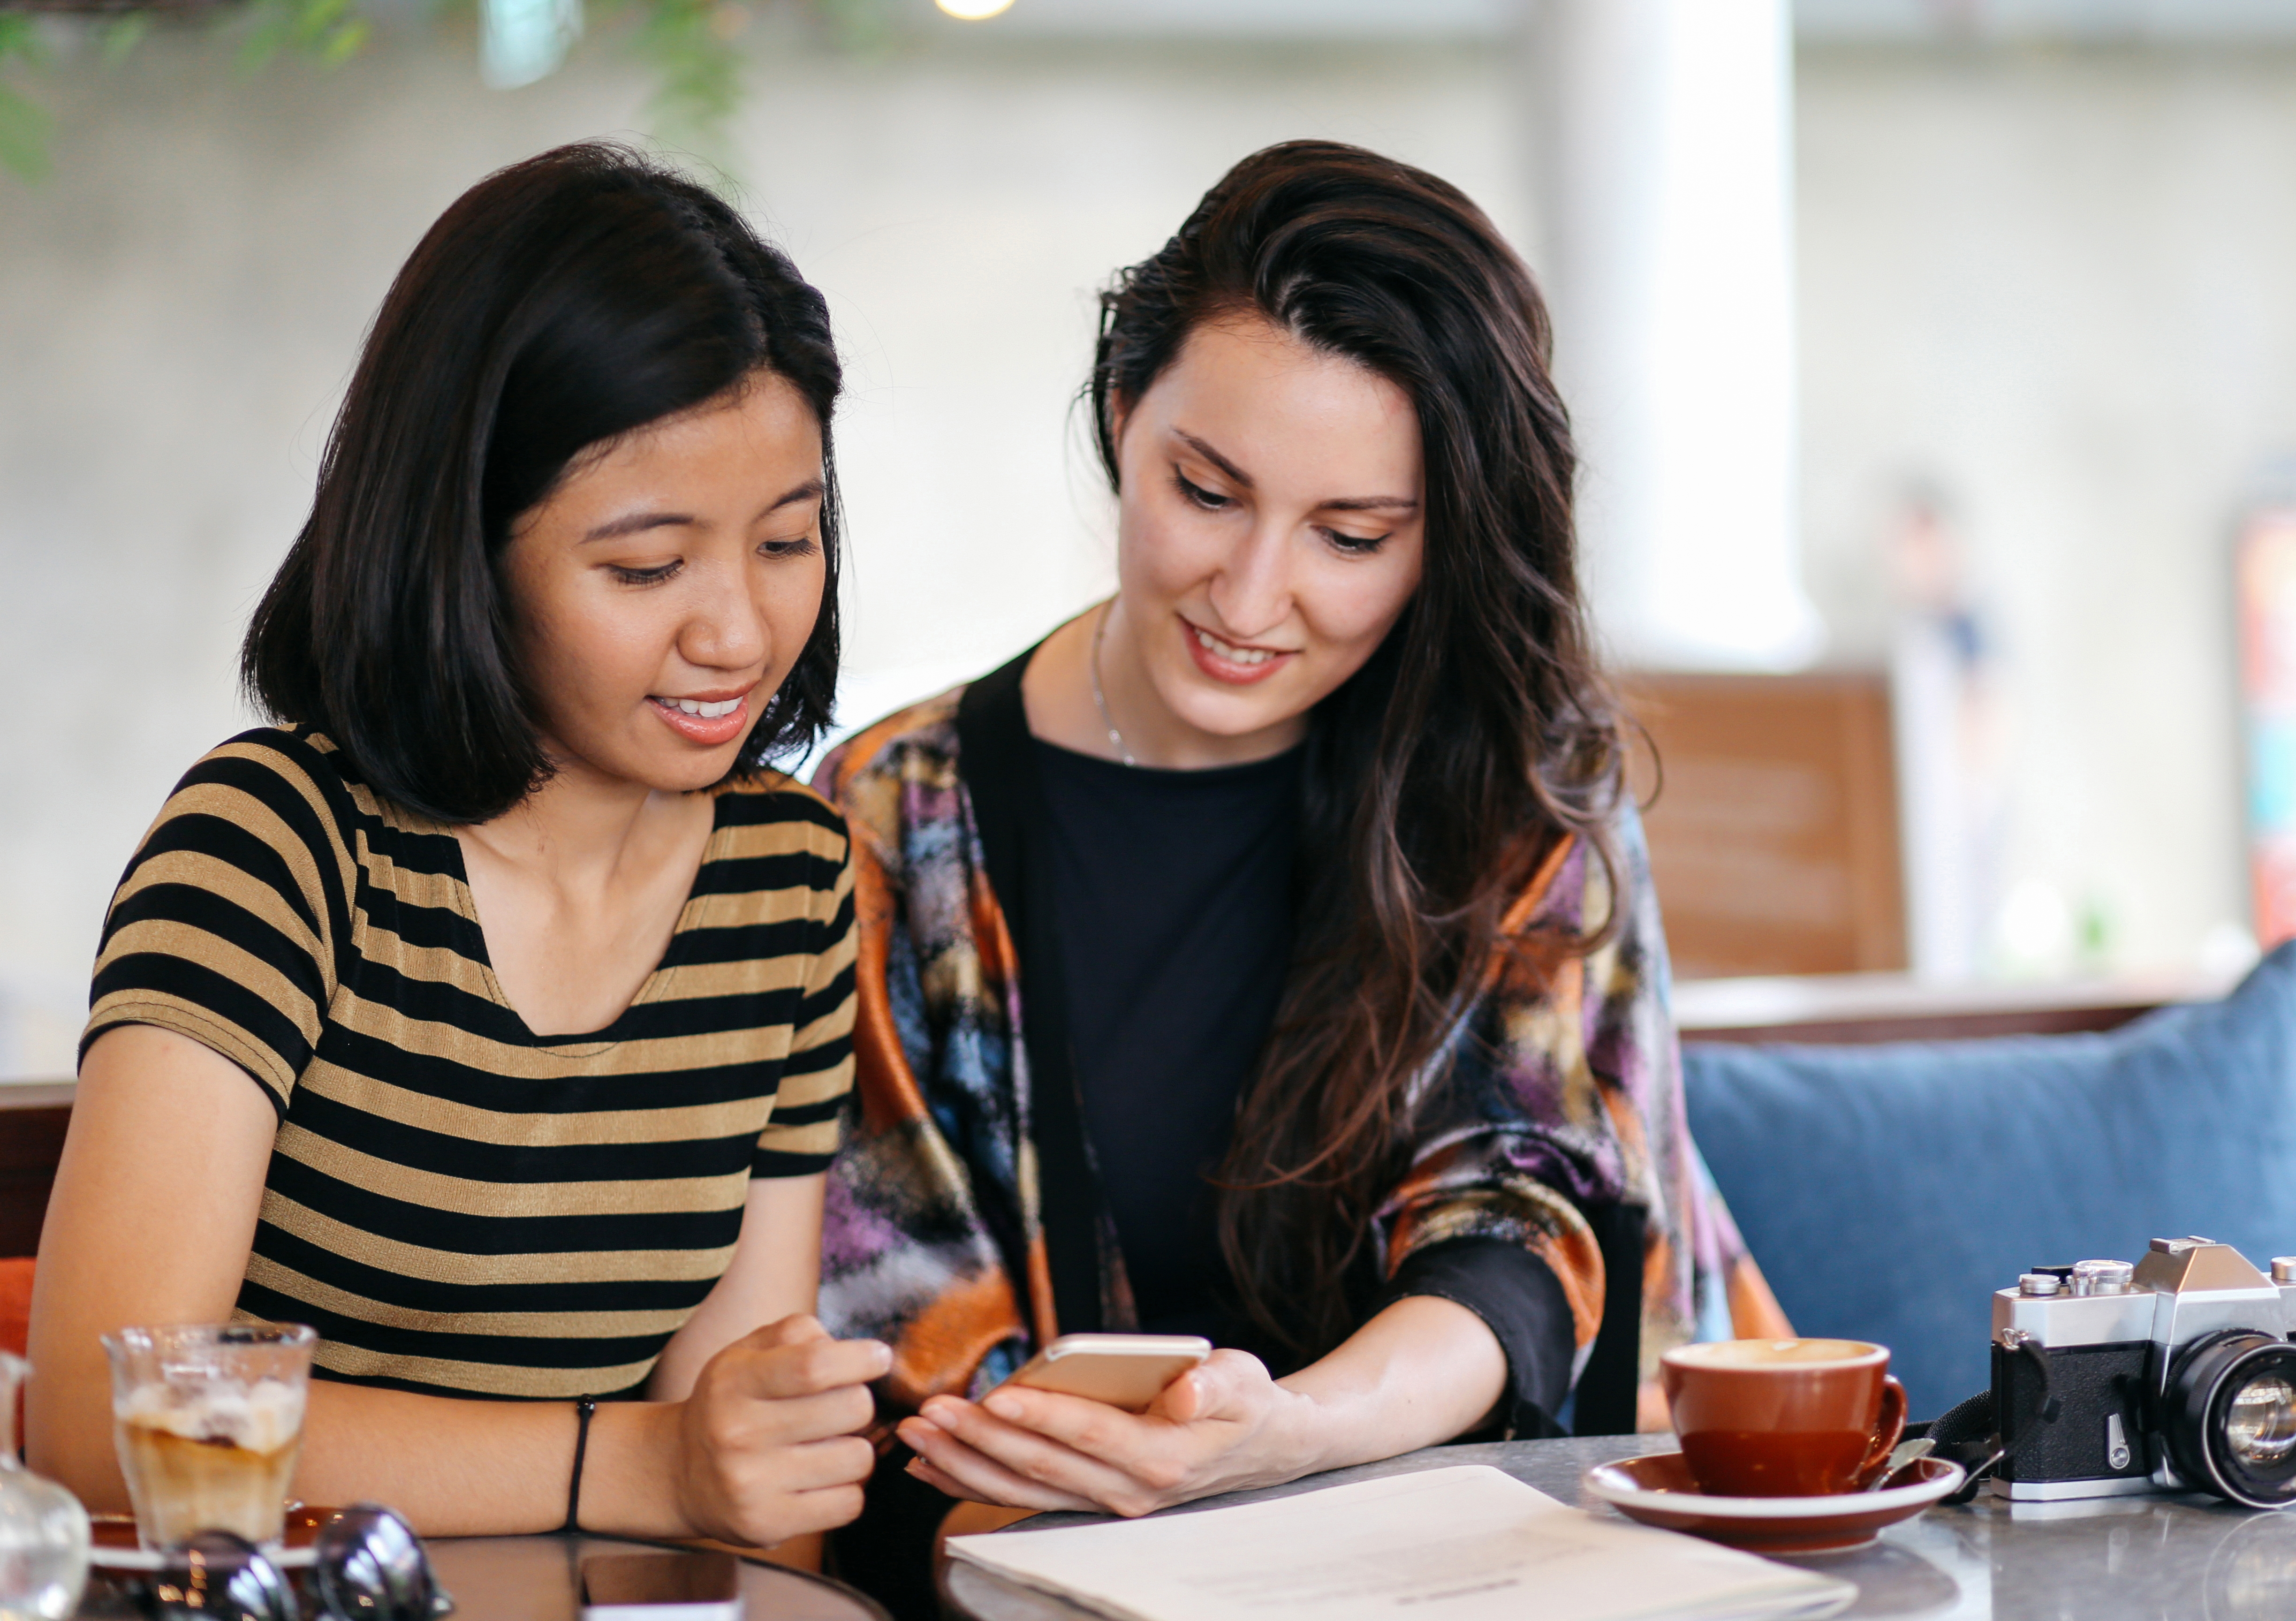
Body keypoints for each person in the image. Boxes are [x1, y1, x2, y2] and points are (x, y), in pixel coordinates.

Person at [812, 140, 1788, 1612]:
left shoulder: (1521, 783)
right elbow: (901, 1339)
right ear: (1124, 415)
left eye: (1349, 537)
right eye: (1207, 493)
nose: (1254, 598)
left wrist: (1292, 1437)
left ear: (1442, 540)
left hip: (1513, 1562)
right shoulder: (898, 821)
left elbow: (1531, 1226)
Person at [29, 143, 889, 1547]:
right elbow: (101, 1424)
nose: (735, 633)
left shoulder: (785, 880)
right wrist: (634, 1470)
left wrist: (724, 1477)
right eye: (645, 567)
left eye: (787, 543)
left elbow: (746, 1467)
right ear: (465, 550)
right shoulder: (281, 848)